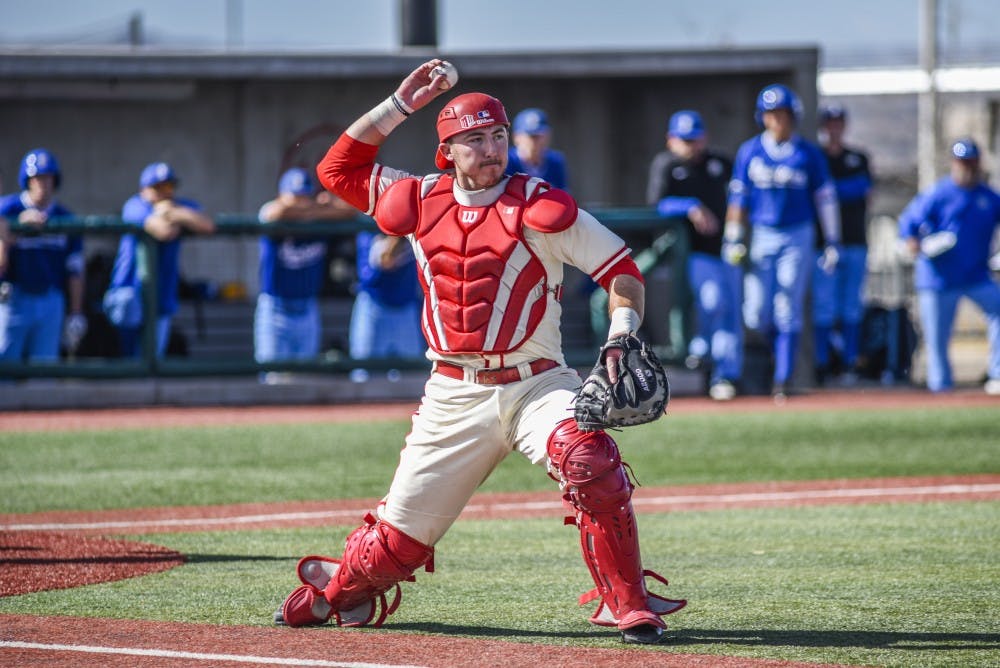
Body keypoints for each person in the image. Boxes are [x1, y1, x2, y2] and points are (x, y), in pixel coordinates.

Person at [275, 59, 685, 644]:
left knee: (589, 458)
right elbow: (336, 169)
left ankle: (628, 604)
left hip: (537, 382)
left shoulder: (540, 204)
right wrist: (398, 104)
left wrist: (621, 333)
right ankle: (336, 594)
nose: (490, 148)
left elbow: (622, 272)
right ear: (447, 149)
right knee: (395, 549)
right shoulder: (415, 197)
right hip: (452, 392)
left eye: (497, 135)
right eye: (474, 139)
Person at [725, 83, 841, 400]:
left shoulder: (808, 154)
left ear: (794, 117)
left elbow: (826, 199)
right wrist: (733, 238)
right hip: (762, 233)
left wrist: (832, 240)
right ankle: (774, 353)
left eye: (784, 114)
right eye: (772, 114)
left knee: (788, 304)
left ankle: (783, 378)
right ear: (763, 117)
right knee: (756, 312)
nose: (778, 121)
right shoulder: (750, 151)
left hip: (797, 233)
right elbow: (738, 199)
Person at [647, 110, 742, 400]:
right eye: (684, 140)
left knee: (733, 311)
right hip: (693, 252)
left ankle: (726, 373)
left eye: (695, 139)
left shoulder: (719, 162)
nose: (691, 146)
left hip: (728, 249)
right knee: (714, 302)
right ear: (671, 140)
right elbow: (656, 204)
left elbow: (741, 192)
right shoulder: (666, 165)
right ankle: (707, 361)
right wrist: (690, 206)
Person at [898, 138, 1000, 395]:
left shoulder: (988, 197)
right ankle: (941, 391)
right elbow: (908, 222)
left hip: (976, 274)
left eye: (971, 163)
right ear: (954, 164)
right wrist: (914, 242)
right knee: (937, 339)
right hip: (938, 278)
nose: (966, 168)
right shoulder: (939, 194)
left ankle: (997, 374)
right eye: (962, 163)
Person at [104, 162, 215, 357]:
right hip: (129, 295)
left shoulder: (177, 206)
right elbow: (164, 231)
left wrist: (174, 212)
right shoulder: (135, 205)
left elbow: (207, 225)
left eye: (168, 187)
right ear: (144, 190)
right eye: (158, 187)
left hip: (161, 297)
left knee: (152, 363)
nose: (164, 193)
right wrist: (175, 217)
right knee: (129, 361)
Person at [255, 167, 355, 370]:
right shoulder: (274, 212)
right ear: (281, 195)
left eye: (305, 196)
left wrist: (323, 206)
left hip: (308, 308)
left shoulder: (319, 219)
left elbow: (352, 210)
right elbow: (274, 212)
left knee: (304, 377)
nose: (301, 201)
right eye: (295, 196)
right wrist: (316, 211)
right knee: (273, 379)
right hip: (276, 308)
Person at [0, 148, 86, 363]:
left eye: (47, 178)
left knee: (44, 371)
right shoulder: (7, 209)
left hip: (50, 298)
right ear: (27, 180)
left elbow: (75, 268)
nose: (42, 184)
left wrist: (76, 312)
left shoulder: (65, 217)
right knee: (6, 368)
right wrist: (16, 227)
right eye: (37, 178)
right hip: (13, 296)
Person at [813, 105, 873, 386]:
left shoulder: (857, 158)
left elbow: (862, 188)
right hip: (824, 245)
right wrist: (834, 191)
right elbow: (815, 194)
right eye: (829, 123)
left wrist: (830, 191)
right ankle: (823, 364)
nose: (834, 127)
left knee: (851, 306)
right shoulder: (817, 157)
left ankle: (850, 362)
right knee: (824, 306)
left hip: (855, 242)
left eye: (838, 122)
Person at [349, 230, 424, 363]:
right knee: (364, 373)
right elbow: (386, 260)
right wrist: (402, 231)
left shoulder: (420, 225)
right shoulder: (371, 228)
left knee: (410, 376)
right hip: (374, 306)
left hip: (406, 306)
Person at [504, 107, 569, 189]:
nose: (538, 141)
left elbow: (563, 196)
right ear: (516, 137)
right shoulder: (506, 161)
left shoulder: (556, 161)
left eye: (541, 135)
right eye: (532, 136)